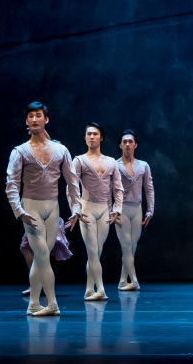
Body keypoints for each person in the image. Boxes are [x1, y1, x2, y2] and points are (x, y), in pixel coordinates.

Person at [5, 101, 81, 316]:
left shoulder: (60, 149)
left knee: (42, 258)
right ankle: (53, 304)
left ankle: (34, 304)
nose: (34, 119)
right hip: (32, 208)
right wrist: (19, 211)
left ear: (46, 119)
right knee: (41, 256)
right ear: (26, 121)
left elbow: (72, 181)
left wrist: (76, 208)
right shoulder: (20, 151)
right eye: (30, 116)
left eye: (38, 115)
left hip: (52, 208)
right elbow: (11, 184)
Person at [72, 122, 124, 302]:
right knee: (92, 250)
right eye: (88, 134)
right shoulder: (78, 160)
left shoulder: (111, 162)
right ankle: (100, 289)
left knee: (97, 251)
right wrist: (76, 209)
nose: (91, 137)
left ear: (101, 137)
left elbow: (118, 188)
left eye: (95, 134)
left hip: (104, 210)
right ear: (85, 137)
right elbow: (72, 187)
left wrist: (117, 209)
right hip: (87, 209)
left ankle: (88, 289)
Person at [114, 129, 154, 291]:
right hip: (122, 209)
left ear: (135, 145)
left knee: (132, 246)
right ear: (120, 145)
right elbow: (111, 189)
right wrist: (114, 210)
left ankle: (123, 280)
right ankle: (134, 280)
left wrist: (150, 210)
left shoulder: (143, 166)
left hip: (137, 209)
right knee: (126, 245)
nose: (128, 144)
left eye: (130, 141)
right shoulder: (115, 165)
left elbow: (149, 189)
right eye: (125, 142)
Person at [20, 217, 73, 297]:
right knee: (29, 248)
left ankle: (42, 286)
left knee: (37, 250)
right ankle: (38, 285)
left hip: (42, 218)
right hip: (41, 217)